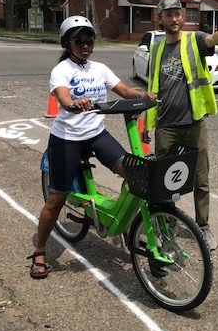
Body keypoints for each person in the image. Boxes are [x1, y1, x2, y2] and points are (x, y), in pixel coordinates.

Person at [28, 15, 154, 279]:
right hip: (67, 138)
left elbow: (123, 90)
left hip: (96, 133)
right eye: (79, 41)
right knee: (56, 199)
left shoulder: (99, 68)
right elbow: (62, 98)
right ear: (68, 43)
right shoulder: (61, 70)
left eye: (89, 40)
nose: (85, 45)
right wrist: (74, 102)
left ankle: (126, 223)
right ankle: (40, 250)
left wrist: (144, 95)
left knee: (134, 173)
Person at [142, 0, 218, 250]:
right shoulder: (157, 48)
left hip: (194, 123)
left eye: (178, 14)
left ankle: (203, 226)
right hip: (166, 126)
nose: (175, 19)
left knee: (201, 178)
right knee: (164, 180)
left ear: (182, 17)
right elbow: (153, 87)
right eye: (169, 14)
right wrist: (146, 125)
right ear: (160, 18)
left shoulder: (193, 40)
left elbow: (211, 39)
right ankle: (168, 220)